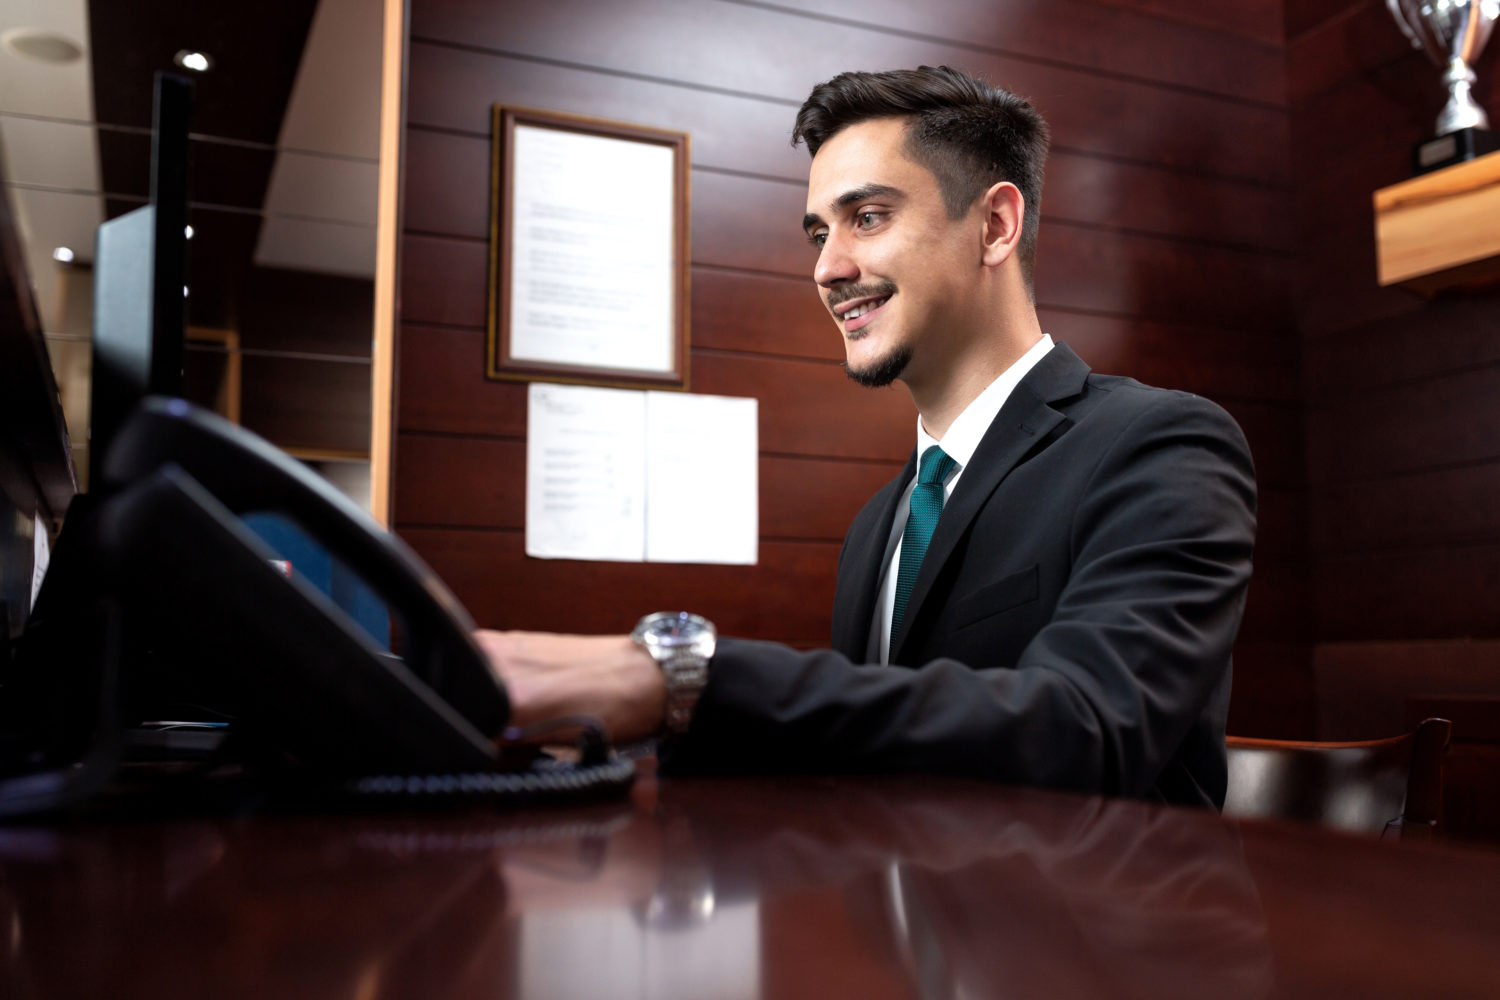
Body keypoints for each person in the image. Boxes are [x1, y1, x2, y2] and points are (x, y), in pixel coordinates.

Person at [476, 65, 1256, 808]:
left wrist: (682, 679)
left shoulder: (1159, 446)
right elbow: (861, 751)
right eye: (818, 232)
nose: (827, 267)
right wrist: (609, 742)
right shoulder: (877, 526)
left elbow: (1084, 729)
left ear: (994, 224)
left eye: (868, 218)